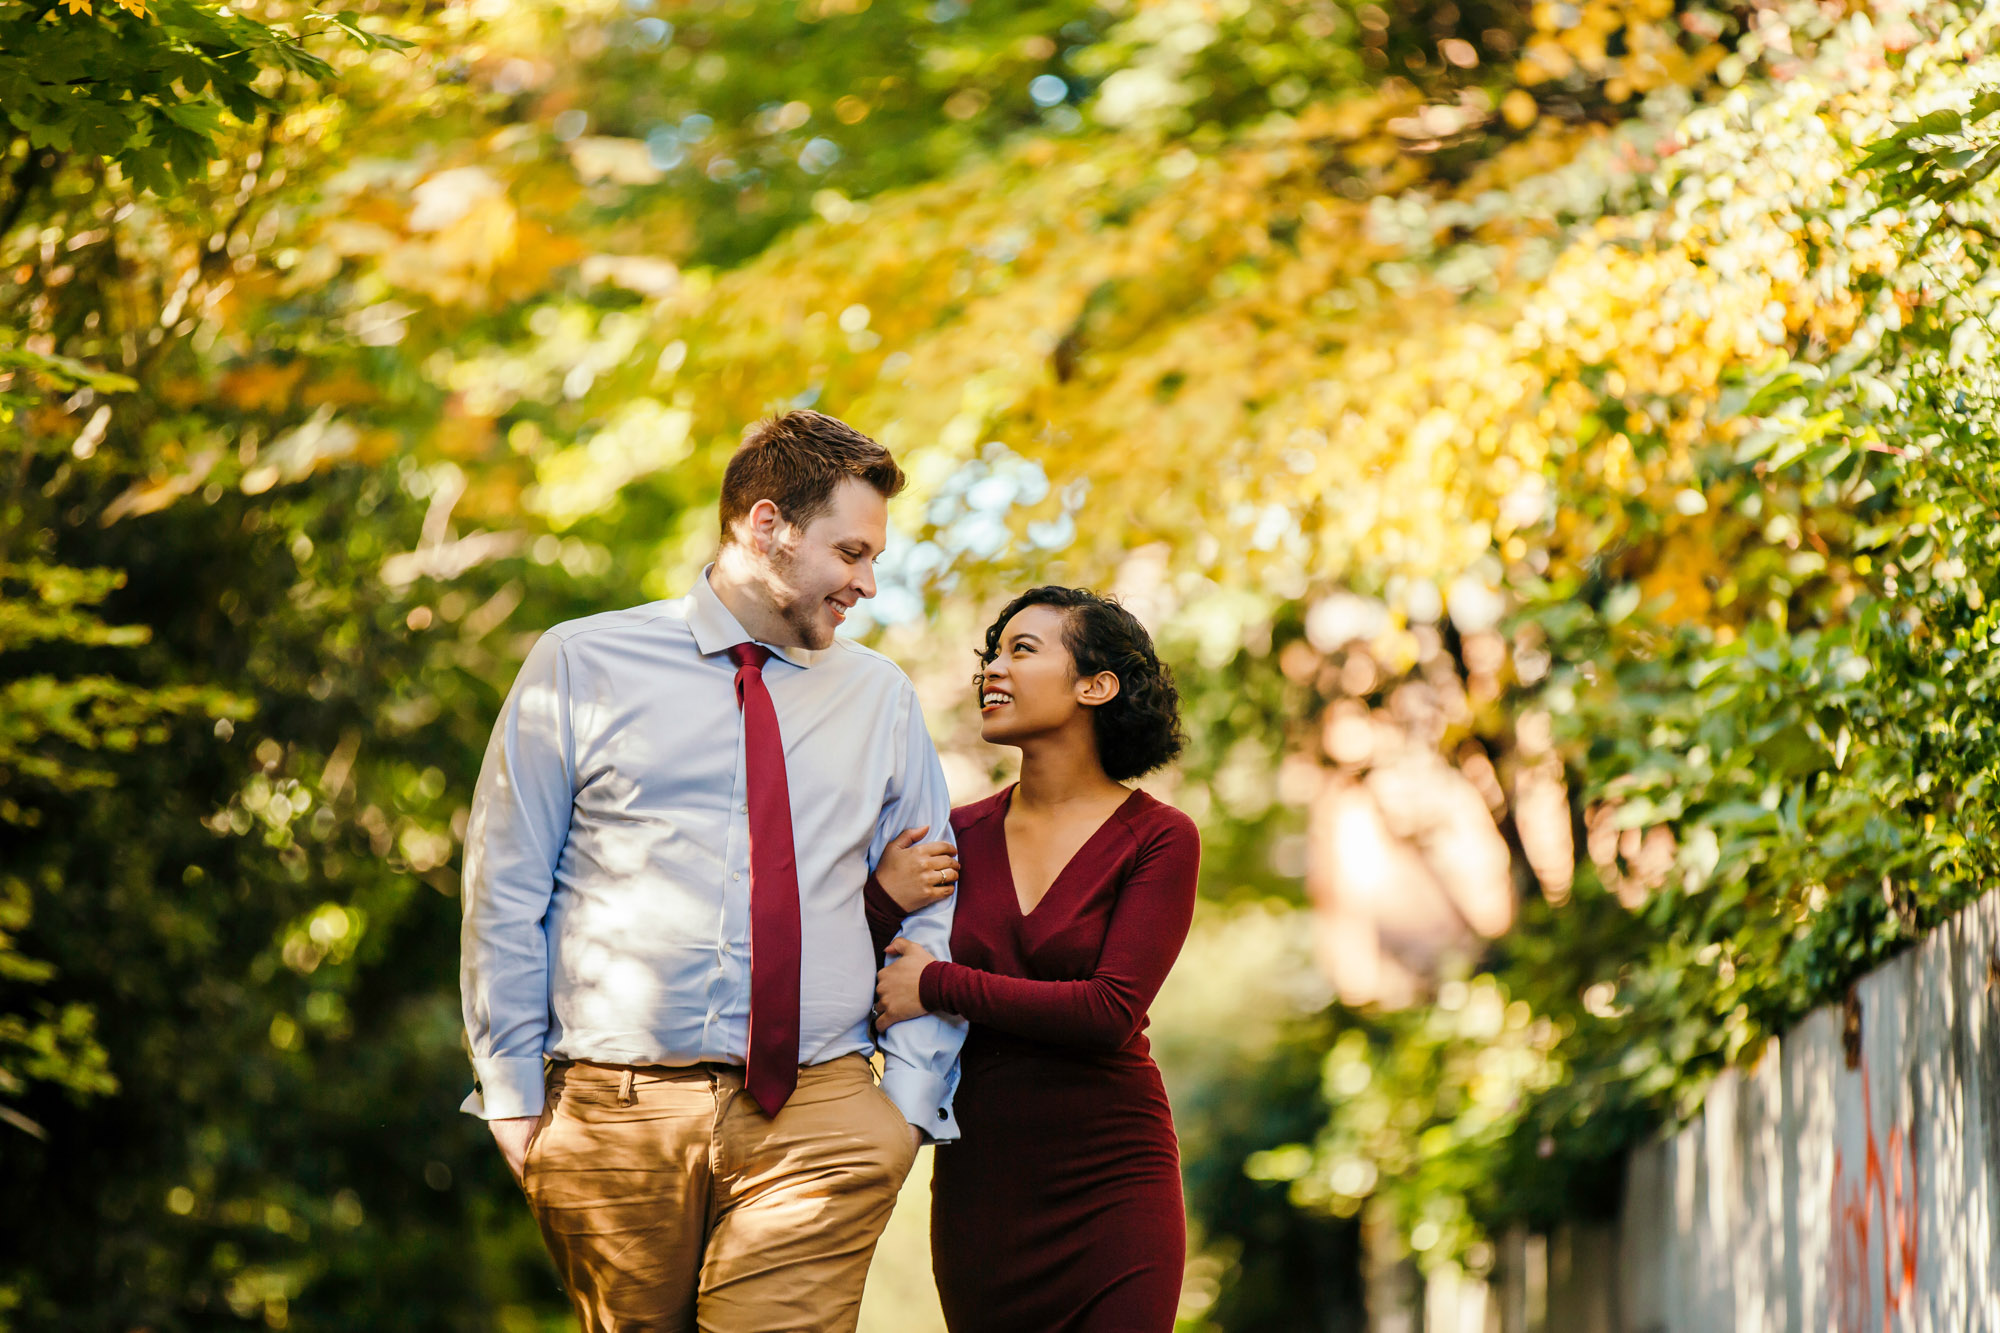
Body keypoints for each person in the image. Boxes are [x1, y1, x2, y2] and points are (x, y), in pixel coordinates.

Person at [459, 409, 966, 1333]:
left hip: (820, 1106)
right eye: (852, 552)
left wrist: (907, 1105)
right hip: (615, 1113)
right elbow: (507, 886)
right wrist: (511, 1102)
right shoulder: (580, 662)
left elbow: (936, 895)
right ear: (766, 524)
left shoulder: (879, 697)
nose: (867, 582)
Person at [867, 586, 1200, 1333]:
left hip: (1114, 1179)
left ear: (1096, 684)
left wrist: (941, 983)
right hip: (982, 1186)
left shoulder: (1159, 838)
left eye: (1022, 649)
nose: (992, 669)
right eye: (992, 653)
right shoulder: (955, 835)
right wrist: (883, 898)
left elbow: (1108, 1012)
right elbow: (873, 977)